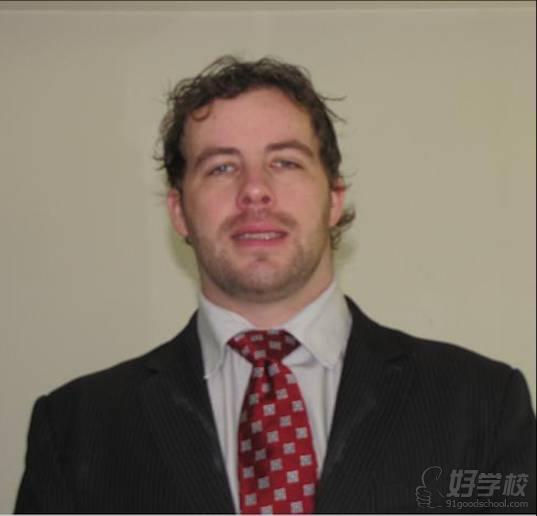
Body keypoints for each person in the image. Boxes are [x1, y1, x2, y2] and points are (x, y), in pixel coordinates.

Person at [15, 56, 535, 514]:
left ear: (333, 199)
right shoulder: (76, 429)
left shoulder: (482, 404)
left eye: (285, 162)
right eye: (222, 167)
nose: (255, 191)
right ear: (179, 211)